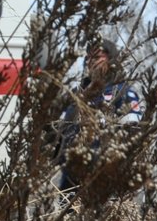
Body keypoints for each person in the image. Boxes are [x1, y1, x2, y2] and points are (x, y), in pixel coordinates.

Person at [53, 31, 144, 196]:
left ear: (112, 60)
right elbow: (59, 137)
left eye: (97, 57)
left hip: (105, 185)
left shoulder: (123, 94)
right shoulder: (77, 95)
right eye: (88, 57)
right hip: (71, 184)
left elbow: (134, 139)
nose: (91, 62)